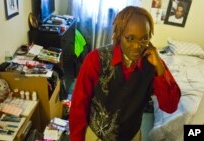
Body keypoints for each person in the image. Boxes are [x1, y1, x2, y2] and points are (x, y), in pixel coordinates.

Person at [69, 6, 181, 141]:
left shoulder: (152, 65)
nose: (137, 46)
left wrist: (160, 68)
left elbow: (170, 106)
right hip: (97, 137)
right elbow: (79, 105)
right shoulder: (96, 60)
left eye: (144, 39)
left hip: (131, 136)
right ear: (118, 35)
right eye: (130, 38)